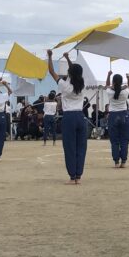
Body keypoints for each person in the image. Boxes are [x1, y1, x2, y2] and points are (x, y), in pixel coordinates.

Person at [47, 50, 87, 183]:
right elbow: (74, 71)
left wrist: (50, 56)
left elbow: (51, 71)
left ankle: (72, 176)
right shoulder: (82, 84)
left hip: (69, 117)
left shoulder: (64, 85)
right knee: (81, 147)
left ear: (69, 74)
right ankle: (78, 176)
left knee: (69, 147)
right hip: (80, 116)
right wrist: (68, 58)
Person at [105, 71, 129, 169]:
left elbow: (107, 85)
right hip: (124, 115)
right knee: (124, 140)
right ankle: (123, 162)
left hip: (113, 116)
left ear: (113, 82)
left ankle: (116, 162)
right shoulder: (125, 92)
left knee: (114, 140)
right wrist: (128, 78)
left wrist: (108, 75)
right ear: (121, 82)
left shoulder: (110, 92)